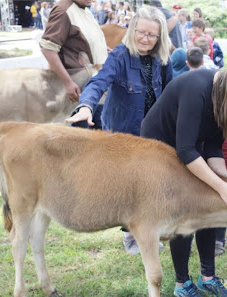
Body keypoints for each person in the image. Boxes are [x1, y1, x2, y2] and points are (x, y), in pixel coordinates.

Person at [140, 52, 227, 297]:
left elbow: (213, 146)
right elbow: (185, 149)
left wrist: (226, 183)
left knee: (214, 201)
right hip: (159, 149)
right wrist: (221, 188)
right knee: (185, 212)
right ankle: (182, 283)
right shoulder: (197, 88)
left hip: (190, 147)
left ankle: (208, 276)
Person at [65, 6, 173, 255]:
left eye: (151, 35)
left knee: (150, 181)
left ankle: (147, 228)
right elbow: (98, 82)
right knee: (128, 184)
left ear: (159, 38)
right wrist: (86, 106)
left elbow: (172, 90)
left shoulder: (162, 58)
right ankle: (130, 234)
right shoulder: (120, 56)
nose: (145, 39)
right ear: (132, 29)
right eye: (140, 32)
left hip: (151, 129)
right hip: (124, 131)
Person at [40, 0, 108, 103]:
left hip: (94, 84)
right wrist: (68, 83)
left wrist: (102, 48)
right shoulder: (63, 10)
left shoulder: (84, 8)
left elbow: (84, 40)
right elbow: (48, 48)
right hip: (79, 88)